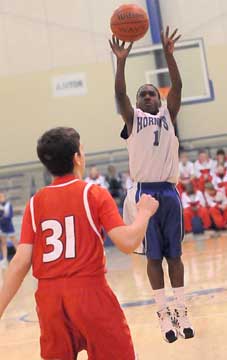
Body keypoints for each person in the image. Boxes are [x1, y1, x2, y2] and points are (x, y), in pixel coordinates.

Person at [0, 127, 159, 360]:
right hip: (89, 293)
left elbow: (20, 263)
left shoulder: (35, 203)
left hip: (49, 299)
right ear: (77, 158)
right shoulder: (93, 194)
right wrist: (144, 213)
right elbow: (126, 243)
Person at [109, 26, 194, 342]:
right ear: (136, 101)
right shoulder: (132, 120)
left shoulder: (169, 114)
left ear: (159, 99)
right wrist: (121, 62)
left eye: (152, 93)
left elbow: (179, 86)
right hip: (145, 193)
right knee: (154, 257)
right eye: (142, 93)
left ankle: (181, 309)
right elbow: (119, 95)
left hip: (169, 192)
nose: (148, 95)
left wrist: (170, 55)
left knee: (176, 256)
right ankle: (162, 313)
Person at [0, 193, 18, 269]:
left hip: (9, 227)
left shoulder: (8, 205)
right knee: (3, 244)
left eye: (1, 196)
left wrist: (3, 216)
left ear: (4, 197)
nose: (1, 198)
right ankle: (4, 260)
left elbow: (10, 215)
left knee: (15, 243)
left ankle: (19, 258)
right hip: (2, 227)